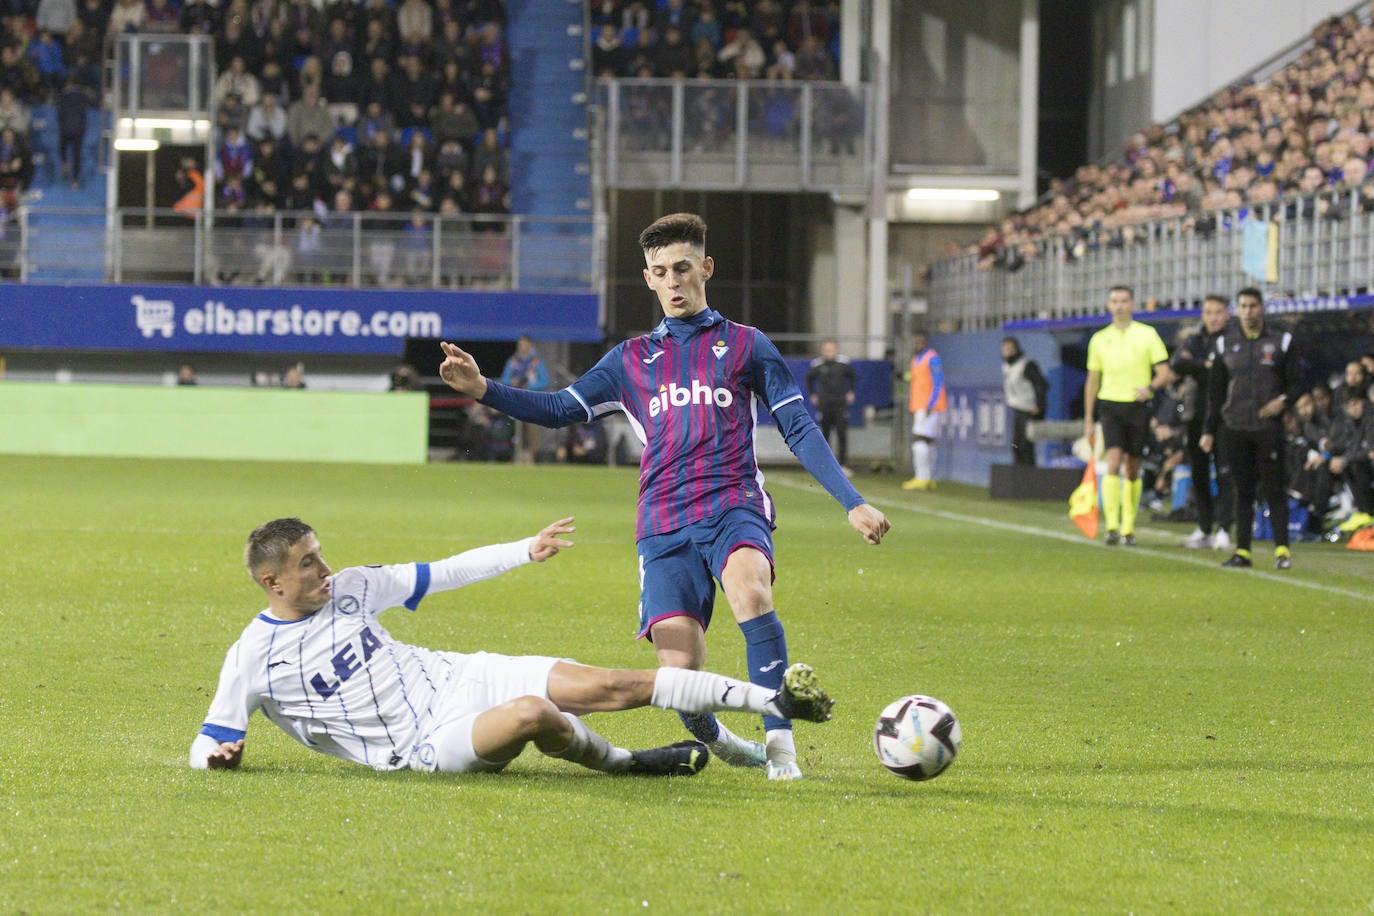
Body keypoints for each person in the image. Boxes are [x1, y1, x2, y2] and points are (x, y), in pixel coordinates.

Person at [437, 212, 889, 780]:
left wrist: (853, 501)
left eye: (681, 268)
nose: (672, 281)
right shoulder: (628, 360)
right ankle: (724, 742)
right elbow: (557, 410)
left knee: (751, 593)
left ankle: (781, 749)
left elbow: (798, 427)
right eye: (659, 271)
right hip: (663, 521)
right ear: (647, 279)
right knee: (679, 678)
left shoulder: (748, 346)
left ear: (706, 268)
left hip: (733, 504)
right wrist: (482, 389)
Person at [189, 516, 835, 776]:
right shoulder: (251, 657)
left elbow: (446, 570)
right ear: (272, 581)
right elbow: (205, 738)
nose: (324, 567)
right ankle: (629, 764)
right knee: (534, 714)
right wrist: (215, 755)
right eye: (307, 563)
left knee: (613, 682)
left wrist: (523, 551)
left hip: (463, 676)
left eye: (320, 552)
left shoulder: (353, 587)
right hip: (421, 747)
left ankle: (774, 701)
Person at [1199, 288, 1304, 570]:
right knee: (1242, 490)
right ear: (1238, 310)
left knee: (1273, 488)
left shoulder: (1282, 341)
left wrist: (1282, 402)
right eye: (1243, 306)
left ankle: (1282, 550)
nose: (1248, 311)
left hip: (1268, 428)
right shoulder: (1225, 344)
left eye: (1253, 306)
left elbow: (1297, 383)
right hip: (1234, 427)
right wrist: (1209, 430)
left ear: (1262, 309)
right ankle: (1243, 550)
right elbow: (1216, 392)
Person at [1082, 285, 1172, 546]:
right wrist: (1089, 417)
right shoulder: (1099, 339)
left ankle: (1128, 527)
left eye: (1123, 301)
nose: (1119, 306)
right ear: (1109, 306)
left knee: (1132, 466)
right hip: (1110, 405)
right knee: (1113, 460)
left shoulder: (1147, 335)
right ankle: (1111, 525)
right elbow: (1092, 379)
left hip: (1137, 406)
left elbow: (1164, 371)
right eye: (1114, 301)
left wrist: (1150, 388)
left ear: (1132, 304)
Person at [1170, 294, 1235, 550]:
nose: (1213, 317)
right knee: (1198, 473)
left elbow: (1226, 370)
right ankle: (1205, 527)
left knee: (1225, 473)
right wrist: (1205, 367)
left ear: (1227, 314)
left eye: (1218, 312)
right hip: (1195, 415)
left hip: (1224, 416)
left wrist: (1202, 367)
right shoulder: (1195, 339)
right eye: (1208, 312)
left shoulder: (1232, 340)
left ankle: (1224, 529)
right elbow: (1178, 362)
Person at [902, 331, 946, 490]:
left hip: (928, 406)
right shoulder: (916, 359)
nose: (917, 344)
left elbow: (938, 381)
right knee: (928, 441)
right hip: (918, 404)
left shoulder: (932, 358)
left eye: (921, 341)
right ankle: (929, 477)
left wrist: (931, 404)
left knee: (919, 440)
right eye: (916, 341)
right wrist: (903, 376)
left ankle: (922, 477)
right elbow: (916, 378)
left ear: (926, 342)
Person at [805, 338, 856, 473]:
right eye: (826, 349)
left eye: (831, 349)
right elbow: (809, 379)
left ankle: (843, 465)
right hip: (824, 404)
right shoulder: (817, 365)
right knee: (824, 434)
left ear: (836, 349)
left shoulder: (843, 363)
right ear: (822, 350)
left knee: (841, 433)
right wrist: (812, 394)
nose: (829, 352)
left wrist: (851, 391)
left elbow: (853, 377)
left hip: (840, 404)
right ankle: (825, 465)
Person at [1000, 336, 1048, 467]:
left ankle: (1028, 476)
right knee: (1016, 445)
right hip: (1017, 408)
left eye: (1010, 349)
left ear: (1016, 349)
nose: (1007, 352)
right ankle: (1019, 475)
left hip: (1028, 410)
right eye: (1004, 349)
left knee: (1025, 445)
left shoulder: (1026, 365)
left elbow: (1041, 384)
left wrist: (1039, 405)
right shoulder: (1007, 365)